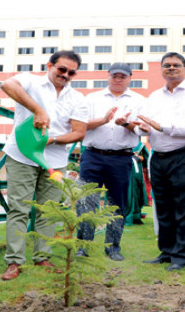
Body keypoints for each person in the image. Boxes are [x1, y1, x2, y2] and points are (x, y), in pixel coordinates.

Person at [0, 50, 88, 280]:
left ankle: (42, 257)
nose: (65, 75)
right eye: (61, 69)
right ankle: (14, 262)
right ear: (50, 65)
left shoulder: (77, 98)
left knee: (48, 211)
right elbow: (7, 84)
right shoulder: (30, 81)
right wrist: (37, 109)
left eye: (71, 72)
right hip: (22, 156)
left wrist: (53, 139)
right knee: (19, 208)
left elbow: (79, 132)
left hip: (55, 161)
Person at [138, 52, 185, 271]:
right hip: (158, 156)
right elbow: (147, 124)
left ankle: (183, 255)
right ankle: (167, 251)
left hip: (184, 155)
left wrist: (162, 127)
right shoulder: (154, 96)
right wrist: (136, 126)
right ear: (161, 70)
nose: (171, 68)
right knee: (164, 207)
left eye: (176, 65)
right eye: (166, 65)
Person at [75, 62, 144, 261]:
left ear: (130, 78)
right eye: (115, 76)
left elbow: (143, 130)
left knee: (117, 204)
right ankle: (83, 246)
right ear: (108, 76)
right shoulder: (92, 98)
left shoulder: (139, 100)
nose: (118, 79)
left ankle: (113, 247)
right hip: (93, 155)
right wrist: (104, 120)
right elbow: (81, 125)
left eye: (123, 76)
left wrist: (127, 124)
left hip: (121, 158)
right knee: (86, 202)